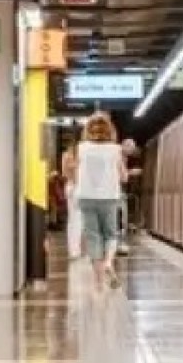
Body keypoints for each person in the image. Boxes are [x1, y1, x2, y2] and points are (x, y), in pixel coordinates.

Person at [73, 115, 129, 290]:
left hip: (86, 197)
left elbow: (77, 172)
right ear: (109, 131)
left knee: (93, 236)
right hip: (109, 197)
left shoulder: (81, 148)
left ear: (88, 130)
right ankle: (108, 263)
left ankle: (98, 282)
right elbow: (123, 177)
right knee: (110, 234)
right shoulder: (115, 150)